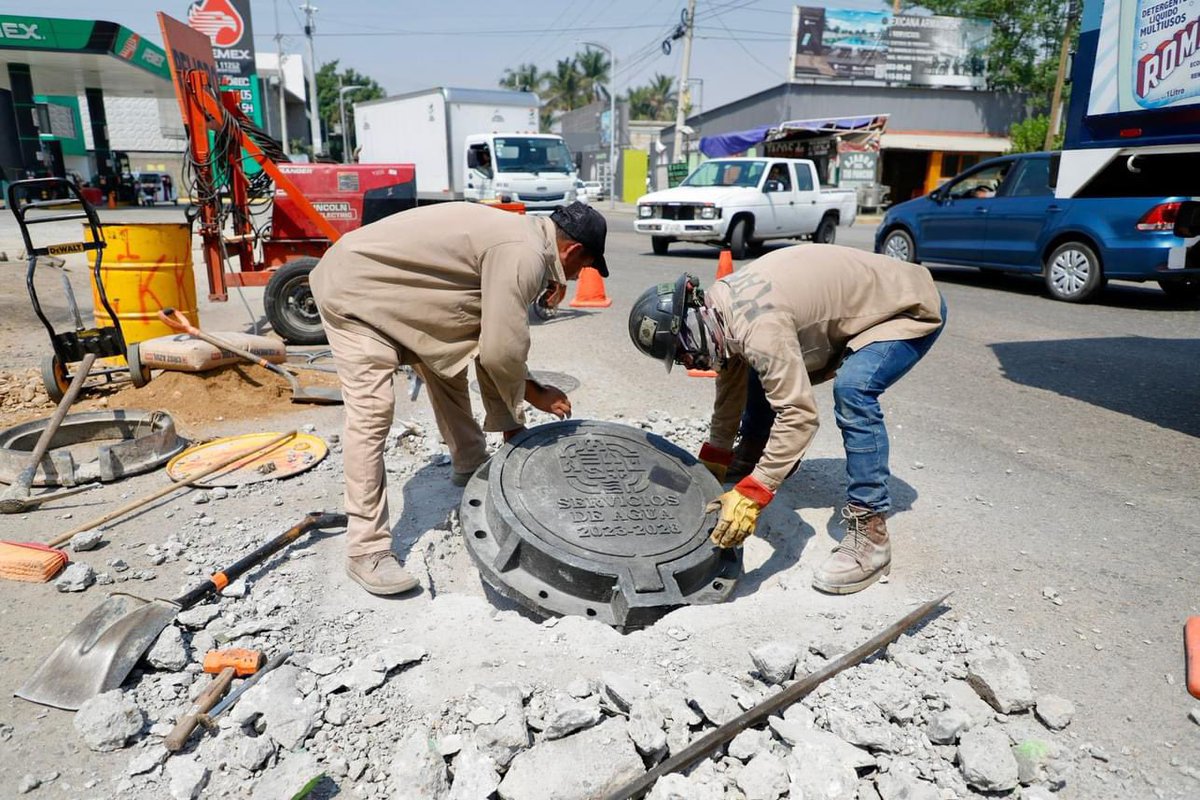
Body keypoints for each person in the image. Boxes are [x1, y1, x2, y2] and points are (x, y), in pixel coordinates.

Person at [312, 201, 609, 596]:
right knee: (373, 413)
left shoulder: (524, 240)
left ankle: (470, 465)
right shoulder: (522, 253)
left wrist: (510, 423)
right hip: (356, 292)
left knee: (446, 361)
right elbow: (502, 349)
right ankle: (367, 550)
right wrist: (532, 396)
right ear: (572, 251)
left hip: (400, 294)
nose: (578, 275)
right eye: (585, 267)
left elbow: (487, 339)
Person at [627, 244, 945, 595]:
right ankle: (750, 456)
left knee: (854, 389)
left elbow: (799, 415)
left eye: (684, 355)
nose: (691, 365)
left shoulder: (759, 327)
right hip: (859, 301)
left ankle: (871, 533)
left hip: (904, 307)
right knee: (757, 367)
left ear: (688, 328)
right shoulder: (717, 308)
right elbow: (731, 384)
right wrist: (715, 460)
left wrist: (754, 493)